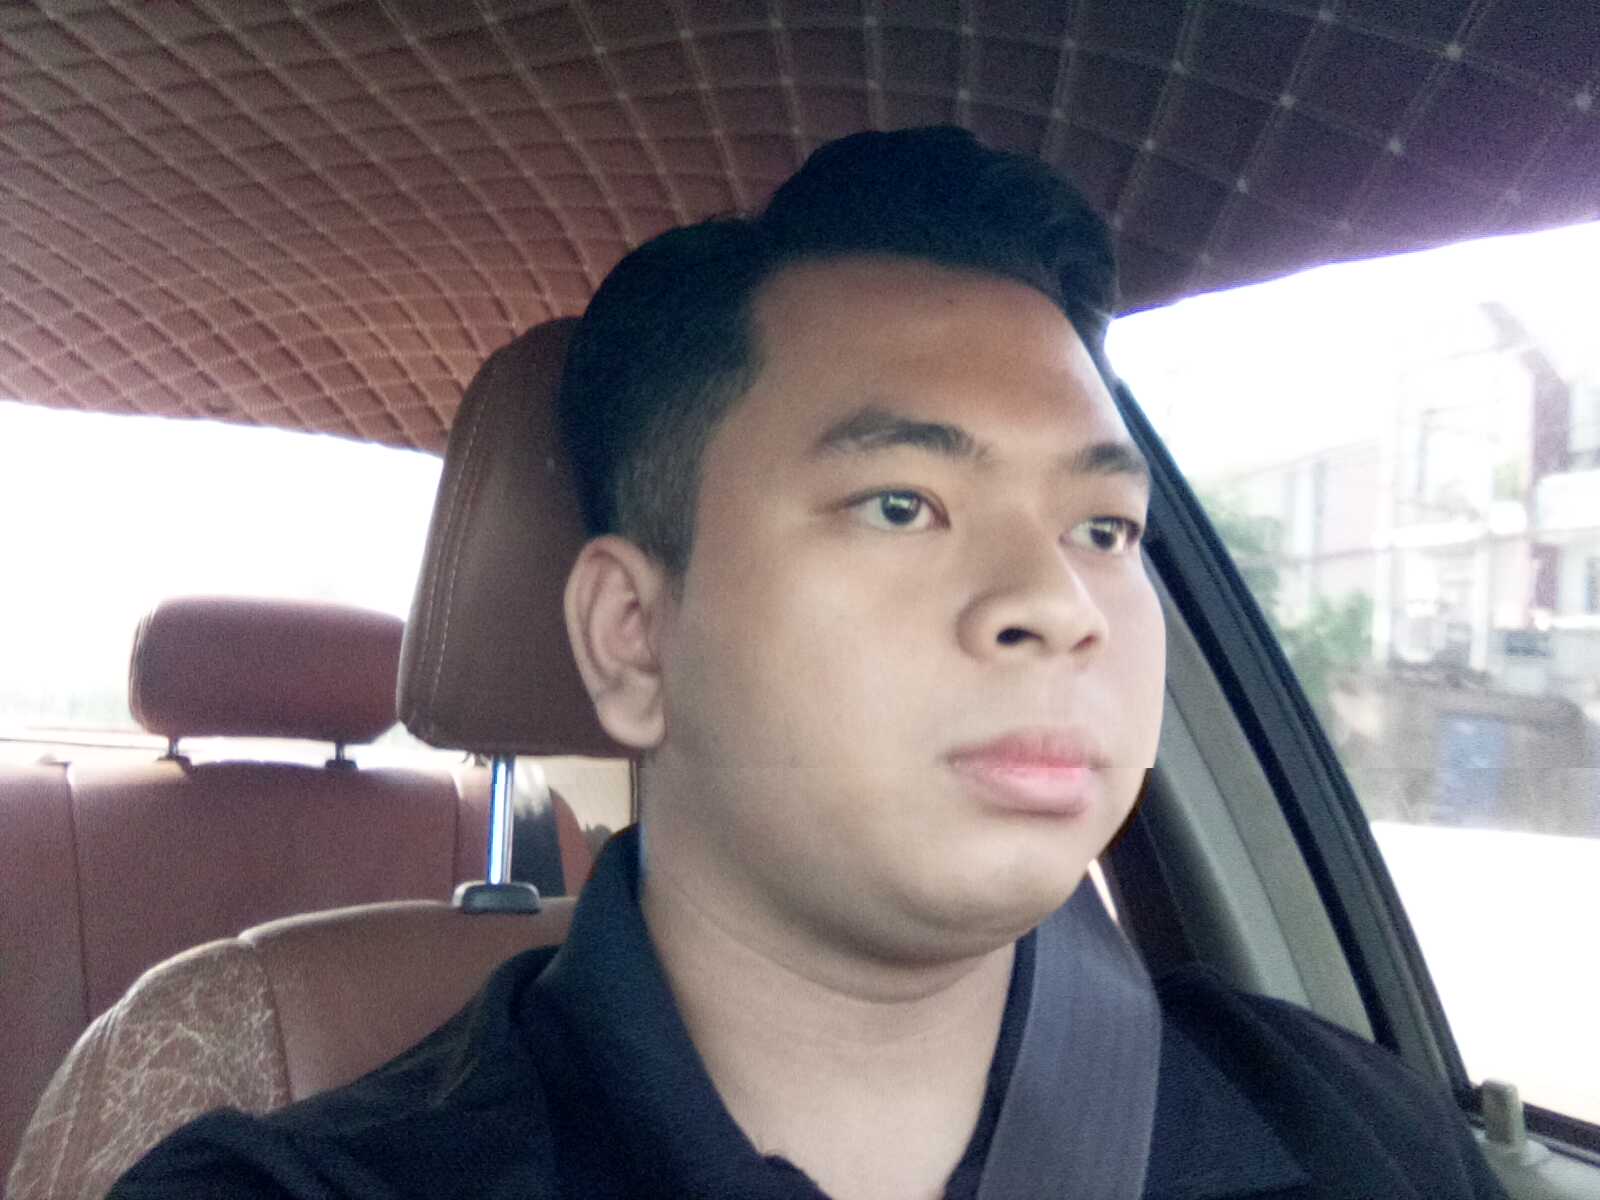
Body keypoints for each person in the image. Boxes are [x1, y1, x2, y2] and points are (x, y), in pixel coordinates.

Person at [111, 127, 1506, 1199]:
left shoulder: (1353, 1128)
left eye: (1103, 527)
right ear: (631, 634)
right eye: (901, 504)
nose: (1058, 602)